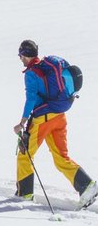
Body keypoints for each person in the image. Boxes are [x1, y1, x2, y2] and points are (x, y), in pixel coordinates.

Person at [13, 39, 97, 207]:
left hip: (43, 120)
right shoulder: (47, 65)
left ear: (25, 55)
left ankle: (25, 194)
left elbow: (30, 98)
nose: (20, 58)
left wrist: (22, 121)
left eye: (20, 55)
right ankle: (87, 187)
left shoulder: (31, 73)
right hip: (59, 116)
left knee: (24, 155)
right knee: (61, 157)